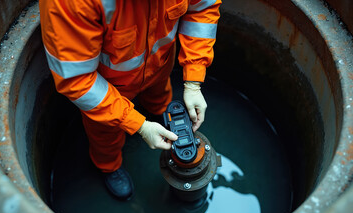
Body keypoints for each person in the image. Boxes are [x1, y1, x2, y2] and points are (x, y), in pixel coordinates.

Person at [39, 0, 221, 200]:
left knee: (161, 97)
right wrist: (139, 125)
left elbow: (203, 8)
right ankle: (109, 167)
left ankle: (160, 112)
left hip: (160, 66)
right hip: (107, 89)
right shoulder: (70, 4)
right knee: (105, 133)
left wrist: (193, 80)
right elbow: (76, 79)